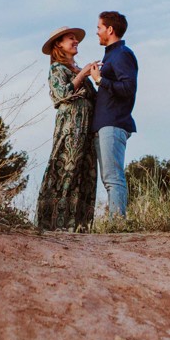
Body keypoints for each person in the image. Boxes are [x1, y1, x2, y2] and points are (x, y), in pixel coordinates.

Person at [36, 26, 99, 231]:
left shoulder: (75, 70)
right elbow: (60, 94)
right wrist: (82, 74)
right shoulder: (57, 69)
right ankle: (55, 223)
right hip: (70, 127)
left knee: (84, 172)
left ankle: (79, 224)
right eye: (71, 38)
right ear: (59, 44)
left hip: (87, 129)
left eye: (75, 38)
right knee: (65, 170)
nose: (76, 41)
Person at [88, 11, 137, 218]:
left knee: (113, 178)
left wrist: (99, 80)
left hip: (114, 123)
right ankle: (115, 224)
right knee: (109, 178)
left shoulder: (122, 54)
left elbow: (128, 88)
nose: (96, 32)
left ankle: (117, 225)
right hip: (104, 125)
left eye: (99, 28)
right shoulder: (111, 56)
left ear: (110, 29)